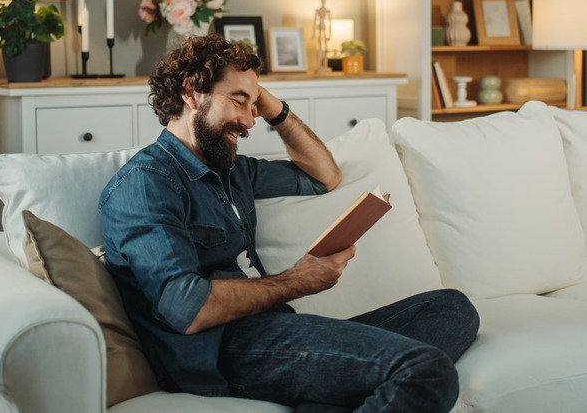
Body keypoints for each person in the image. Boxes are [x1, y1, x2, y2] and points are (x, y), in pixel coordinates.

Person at [99, 34, 479, 412]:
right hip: (221, 349)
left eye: (254, 105)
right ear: (191, 92)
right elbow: (187, 309)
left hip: (276, 329)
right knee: (428, 370)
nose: (249, 120)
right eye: (239, 101)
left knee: (452, 307)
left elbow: (324, 176)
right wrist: (298, 281)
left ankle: (335, 396)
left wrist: (275, 110)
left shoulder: (233, 170)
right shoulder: (145, 184)